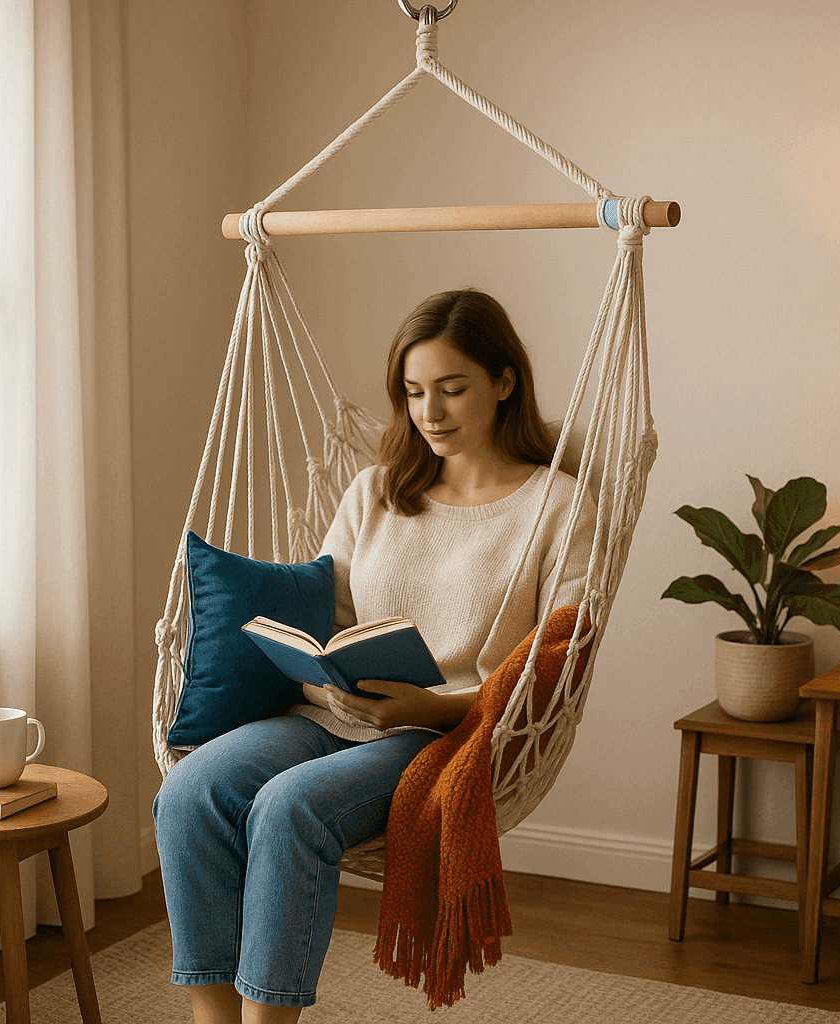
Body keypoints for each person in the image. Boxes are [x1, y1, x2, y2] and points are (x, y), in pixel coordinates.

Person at [152, 289, 593, 1024]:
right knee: (188, 793)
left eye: (453, 390)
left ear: (504, 381)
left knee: (289, 808)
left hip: (438, 729)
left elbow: (553, 661)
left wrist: (433, 705)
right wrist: (319, 672)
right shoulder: (378, 490)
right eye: (414, 393)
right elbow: (335, 612)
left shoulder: (559, 506)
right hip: (331, 709)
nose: (431, 412)